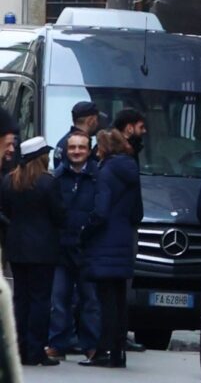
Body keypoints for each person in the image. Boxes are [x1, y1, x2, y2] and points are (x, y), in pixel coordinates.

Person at [4, 141, 67, 364]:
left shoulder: (11, 180)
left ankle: (18, 348)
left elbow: (5, 210)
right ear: (42, 157)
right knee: (40, 300)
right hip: (43, 250)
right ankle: (35, 349)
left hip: (17, 248)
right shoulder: (48, 183)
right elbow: (60, 215)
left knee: (20, 299)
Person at [82, 130, 141, 370]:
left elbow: (101, 211)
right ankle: (119, 352)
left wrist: (85, 230)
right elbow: (138, 212)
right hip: (123, 239)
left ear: (105, 148)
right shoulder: (131, 170)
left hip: (104, 242)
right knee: (119, 300)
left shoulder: (105, 172)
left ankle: (104, 350)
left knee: (106, 299)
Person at [47, 136, 99, 365]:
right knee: (59, 299)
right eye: (72, 147)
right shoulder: (57, 177)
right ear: (66, 151)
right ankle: (58, 344)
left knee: (90, 301)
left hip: (88, 248)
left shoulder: (98, 176)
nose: (77, 151)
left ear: (89, 150)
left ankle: (91, 346)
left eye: (81, 147)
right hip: (61, 248)